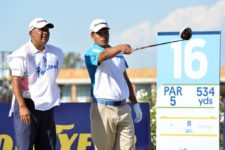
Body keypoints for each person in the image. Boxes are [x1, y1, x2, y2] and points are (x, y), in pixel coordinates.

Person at [85, 18, 143, 150]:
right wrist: (120, 47)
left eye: (106, 32)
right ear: (92, 35)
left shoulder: (119, 55)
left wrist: (135, 104)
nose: (104, 36)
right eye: (100, 33)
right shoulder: (90, 53)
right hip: (103, 109)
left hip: (124, 108)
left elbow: (125, 80)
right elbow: (104, 55)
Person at [7, 17, 64, 150]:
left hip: (47, 109)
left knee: (48, 147)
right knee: (24, 147)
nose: (46, 32)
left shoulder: (57, 53)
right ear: (31, 33)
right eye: (41, 30)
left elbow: (52, 76)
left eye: (47, 30)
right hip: (27, 107)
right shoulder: (21, 54)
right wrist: (21, 106)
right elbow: (15, 81)